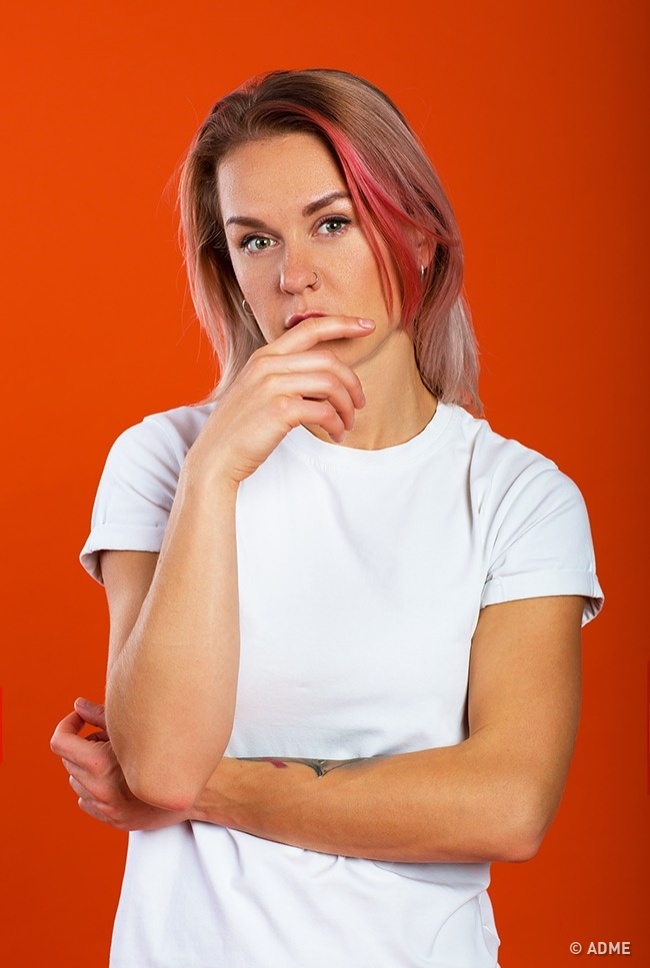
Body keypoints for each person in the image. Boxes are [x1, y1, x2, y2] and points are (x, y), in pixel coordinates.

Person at [50, 69, 603, 968]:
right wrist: (216, 470)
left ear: (416, 231)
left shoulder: (520, 496)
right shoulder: (165, 458)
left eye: (332, 223)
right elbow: (158, 761)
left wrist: (205, 792)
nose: (294, 276)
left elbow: (508, 806)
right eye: (254, 240)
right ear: (228, 269)